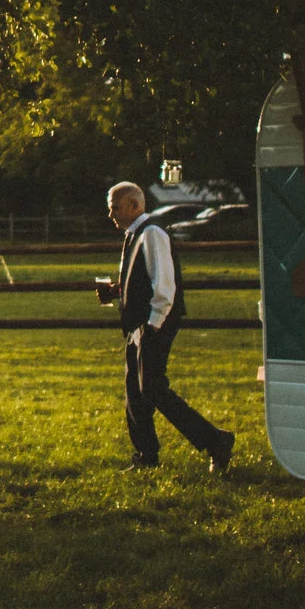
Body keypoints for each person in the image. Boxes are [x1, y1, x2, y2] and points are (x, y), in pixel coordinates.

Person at [104, 180, 234, 476]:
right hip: (142, 324)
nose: (111, 214)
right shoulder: (135, 233)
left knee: (153, 389)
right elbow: (144, 279)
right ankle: (146, 455)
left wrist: (153, 326)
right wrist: (117, 291)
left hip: (154, 323)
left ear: (135, 205)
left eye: (116, 208)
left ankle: (216, 440)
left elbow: (164, 284)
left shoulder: (152, 232)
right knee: (135, 391)